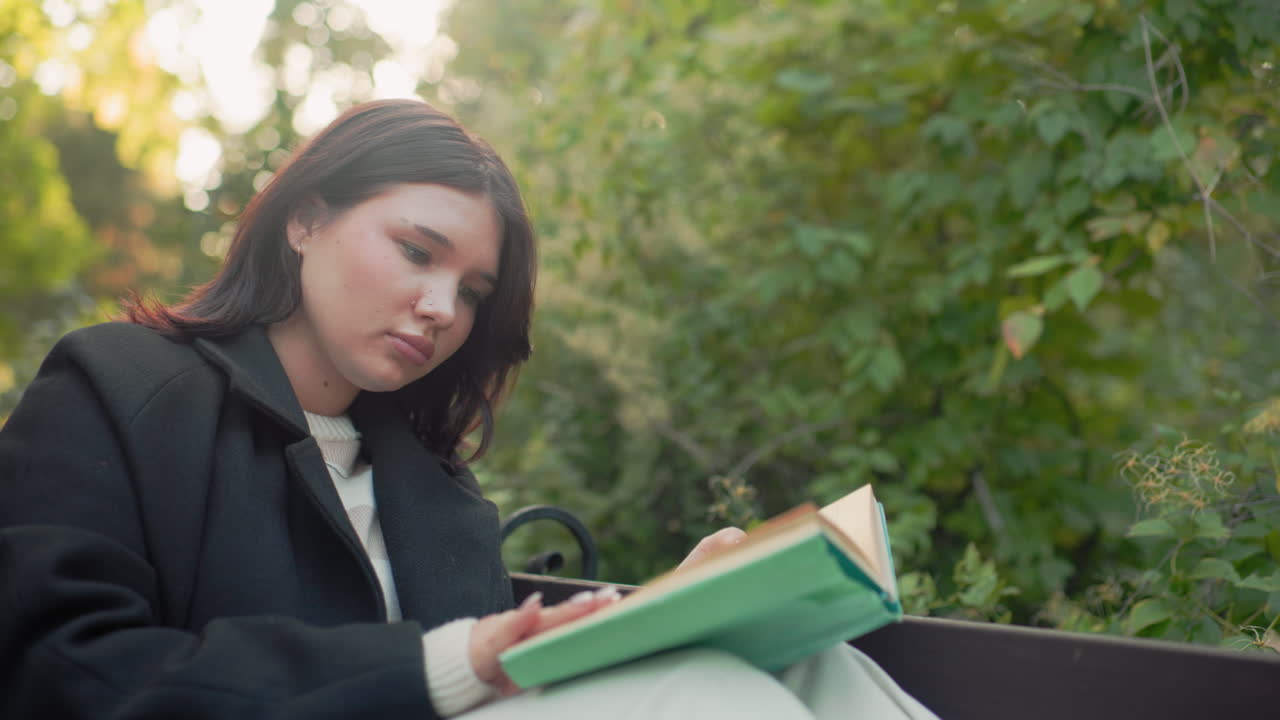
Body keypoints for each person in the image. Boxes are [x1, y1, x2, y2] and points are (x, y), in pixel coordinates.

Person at [0, 99, 937, 719]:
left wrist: (661, 611)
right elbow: (59, 672)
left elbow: (504, 682)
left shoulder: (430, 485)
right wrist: (438, 666)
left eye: (475, 289)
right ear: (305, 218)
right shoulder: (120, 389)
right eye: (417, 251)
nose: (445, 309)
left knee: (821, 668)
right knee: (714, 693)